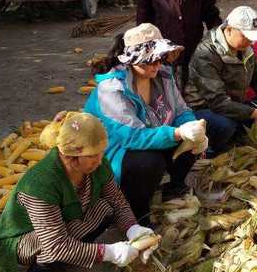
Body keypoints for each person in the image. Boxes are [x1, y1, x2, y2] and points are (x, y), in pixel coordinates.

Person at [0, 112, 158, 272]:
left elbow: (116, 200)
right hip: (23, 240)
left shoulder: (97, 165)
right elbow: (55, 244)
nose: (99, 160)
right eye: (92, 156)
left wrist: (133, 229)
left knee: (106, 208)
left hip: (65, 221)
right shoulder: (41, 184)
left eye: (101, 153)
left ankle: (73, 254)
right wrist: (110, 252)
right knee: (53, 245)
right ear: (70, 157)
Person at [83, 23, 208, 223]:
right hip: (117, 154)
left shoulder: (164, 75)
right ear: (133, 60)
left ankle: (173, 187)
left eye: (159, 58)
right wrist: (177, 133)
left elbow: (181, 110)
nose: (157, 65)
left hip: (152, 138)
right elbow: (132, 137)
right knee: (148, 162)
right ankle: (134, 212)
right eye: (150, 60)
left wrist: (194, 128)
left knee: (191, 140)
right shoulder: (112, 90)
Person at [184, 6, 257, 156]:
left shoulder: (245, 49)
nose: (250, 41)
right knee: (226, 125)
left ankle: (236, 140)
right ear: (229, 29)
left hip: (233, 102)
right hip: (204, 107)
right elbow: (217, 101)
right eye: (245, 36)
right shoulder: (206, 53)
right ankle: (210, 150)